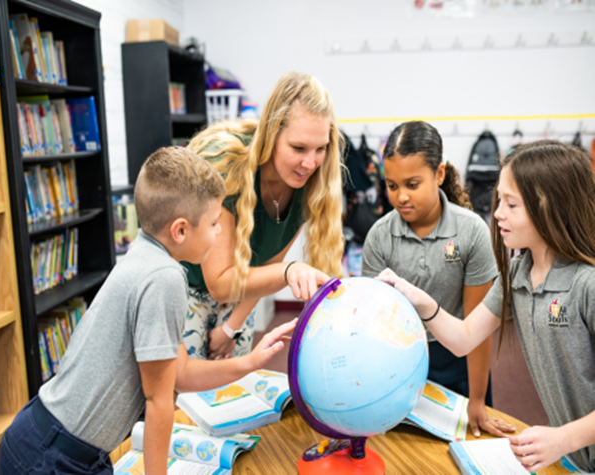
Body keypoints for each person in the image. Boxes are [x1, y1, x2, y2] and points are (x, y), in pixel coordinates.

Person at [0, 147, 297, 475]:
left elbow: (180, 372)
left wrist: (250, 362)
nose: (220, 231)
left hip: (49, 441)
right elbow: (159, 401)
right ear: (180, 230)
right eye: (214, 222)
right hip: (51, 457)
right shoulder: (164, 277)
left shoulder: (145, 253)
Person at [377, 140, 595, 473]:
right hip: (575, 457)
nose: (497, 214)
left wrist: (563, 438)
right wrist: (421, 301)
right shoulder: (517, 274)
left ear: (550, 206)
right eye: (499, 201)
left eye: (511, 204)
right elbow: (464, 338)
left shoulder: (587, 283)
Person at [362, 121, 513, 438]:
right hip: (400, 360)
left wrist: (478, 400)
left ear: (439, 174)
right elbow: (375, 324)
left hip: (459, 358)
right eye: (392, 185)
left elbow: (476, 328)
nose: (401, 196)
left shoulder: (471, 231)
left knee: (460, 444)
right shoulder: (379, 237)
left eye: (412, 184)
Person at [182, 71, 344, 360]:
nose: (310, 163)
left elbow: (268, 266)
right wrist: (289, 271)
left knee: (234, 383)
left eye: (320, 149)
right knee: (187, 385)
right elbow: (220, 282)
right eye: (298, 148)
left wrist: (230, 329)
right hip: (184, 286)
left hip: (238, 295)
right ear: (271, 134)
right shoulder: (225, 165)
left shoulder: (309, 182)